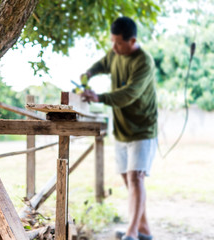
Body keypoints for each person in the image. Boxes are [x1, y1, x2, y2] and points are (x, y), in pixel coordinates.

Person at [80, 16, 157, 240]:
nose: (113, 47)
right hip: (122, 129)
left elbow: (129, 94)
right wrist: (89, 73)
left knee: (135, 179)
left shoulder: (144, 62)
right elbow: (102, 64)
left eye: (118, 43)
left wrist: (99, 97)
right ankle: (144, 230)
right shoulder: (115, 53)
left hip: (142, 128)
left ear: (132, 41)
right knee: (128, 181)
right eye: (112, 42)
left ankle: (132, 233)